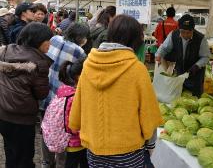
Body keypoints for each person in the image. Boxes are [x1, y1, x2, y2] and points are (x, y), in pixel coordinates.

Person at [69, 14, 162, 167]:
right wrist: (150, 145)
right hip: (128, 150)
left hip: (94, 148)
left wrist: (76, 124)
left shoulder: (88, 65)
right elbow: (148, 113)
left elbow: (79, 104)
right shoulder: (137, 69)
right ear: (135, 39)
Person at [0, 23, 53, 167]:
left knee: (10, 151)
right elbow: (42, 94)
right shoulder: (39, 63)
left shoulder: (7, 50)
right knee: (24, 157)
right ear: (38, 40)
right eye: (49, 40)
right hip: (22, 119)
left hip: (3, 114)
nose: (50, 44)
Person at [41, 23, 89, 168]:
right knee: (63, 131)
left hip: (47, 92)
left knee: (47, 127)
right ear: (81, 38)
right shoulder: (79, 51)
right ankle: (61, 162)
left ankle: (46, 161)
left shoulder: (55, 39)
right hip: (64, 96)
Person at [156, 14, 210, 97]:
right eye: (182, 32)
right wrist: (159, 55)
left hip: (195, 76)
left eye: (188, 32)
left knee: (195, 99)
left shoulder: (200, 39)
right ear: (179, 29)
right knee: (179, 97)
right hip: (179, 74)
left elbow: (205, 57)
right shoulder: (173, 35)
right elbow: (164, 48)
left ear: (193, 29)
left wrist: (197, 66)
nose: (185, 35)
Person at [56, 59, 88, 168]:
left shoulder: (64, 90)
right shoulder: (77, 96)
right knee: (79, 163)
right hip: (78, 140)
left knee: (72, 162)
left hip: (68, 139)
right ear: (80, 76)